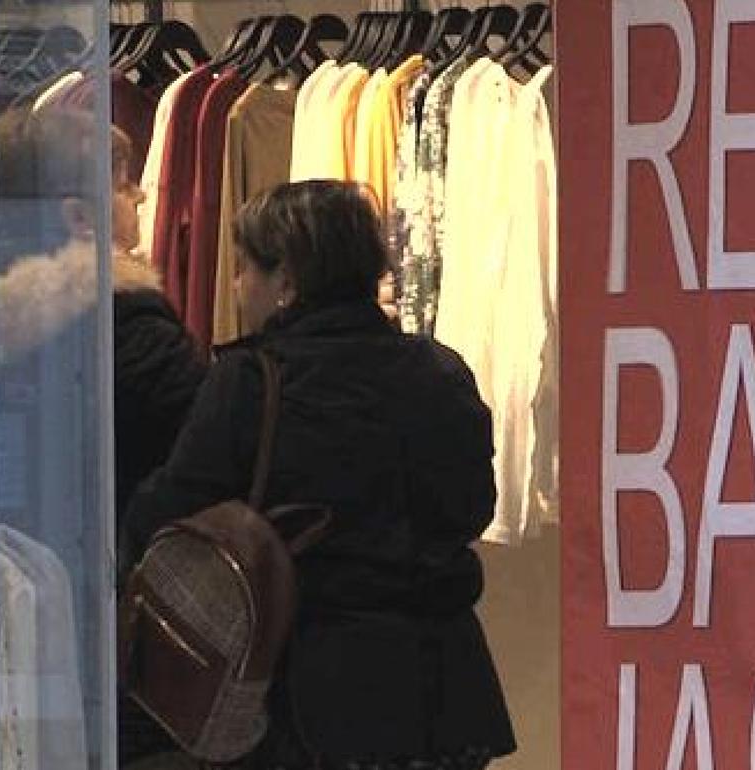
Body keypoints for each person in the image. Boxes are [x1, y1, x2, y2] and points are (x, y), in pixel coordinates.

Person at [123, 180, 516, 770]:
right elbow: (471, 508)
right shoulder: (440, 370)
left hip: (314, 698)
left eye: (244, 269)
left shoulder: (253, 381)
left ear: (286, 282)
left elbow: (165, 515)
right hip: (446, 690)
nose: (236, 286)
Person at [0, 105, 209, 522]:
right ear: (79, 217)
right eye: (124, 187)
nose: (141, 196)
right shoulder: (134, 332)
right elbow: (201, 469)